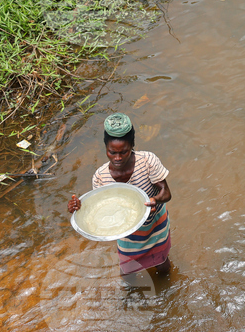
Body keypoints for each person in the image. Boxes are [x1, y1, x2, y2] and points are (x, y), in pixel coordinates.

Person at [67, 113, 173, 275]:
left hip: (155, 225)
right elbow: (99, 210)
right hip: (128, 233)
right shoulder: (101, 177)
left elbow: (166, 193)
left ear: (132, 146)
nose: (117, 158)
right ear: (106, 148)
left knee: (162, 264)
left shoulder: (147, 161)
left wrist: (154, 200)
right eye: (111, 152)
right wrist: (79, 207)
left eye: (123, 152)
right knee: (127, 271)